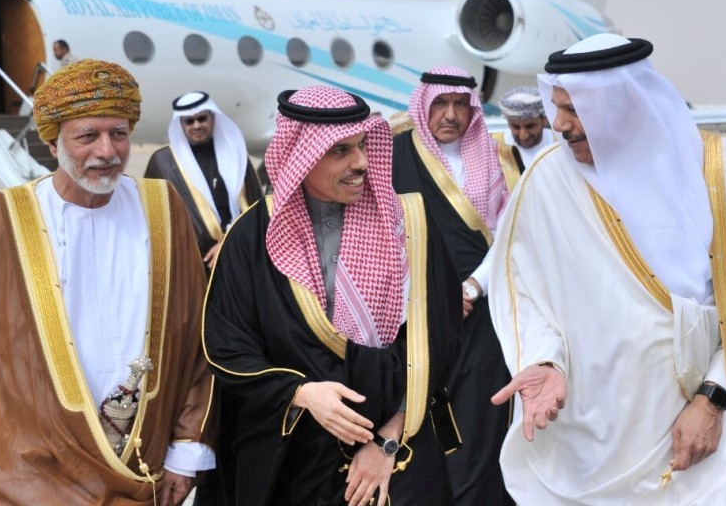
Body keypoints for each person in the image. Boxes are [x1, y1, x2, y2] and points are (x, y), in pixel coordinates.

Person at [488, 34, 726, 504]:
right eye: (557, 106)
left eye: (575, 108)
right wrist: (542, 359)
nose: (560, 125)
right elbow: (520, 288)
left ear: (623, 101)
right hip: (586, 434)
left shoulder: (721, 170)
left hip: (701, 421)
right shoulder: (546, 178)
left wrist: (714, 398)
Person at [0, 59, 216, 505]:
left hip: (139, 466)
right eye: (88, 136)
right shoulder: (7, 218)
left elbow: (195, 338)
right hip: (25, 476)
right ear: (52, 143)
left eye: (119, 133)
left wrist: (186, 452)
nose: (107, 151)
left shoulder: (163, 208)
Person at [203, 86, 462, 506]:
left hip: (395, 458)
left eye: (362, 146)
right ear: (300, 157)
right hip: (293, 459)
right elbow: (226, 347)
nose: (361, 163)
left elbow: (438, 339)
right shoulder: (250, 236)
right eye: (340, 151)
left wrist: (388, 441)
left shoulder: (408, 224)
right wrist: (300, 394)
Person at [392, 67, 514, 505]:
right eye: (440, 104)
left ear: (473, 109)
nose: (450, 115)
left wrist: (472, 289)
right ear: (424, 106)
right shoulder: (394, 154)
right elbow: (379, 236)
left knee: (478, 426)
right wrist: (429, 298)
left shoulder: (497, 158)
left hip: (480, 316)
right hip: (412, 317)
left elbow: (510, 237)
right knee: (412, 421)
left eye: (460, 105)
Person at [144, 91, 263, 270]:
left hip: (241, 255)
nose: (197, 125)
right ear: (181, 124)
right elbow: (153, 219)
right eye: (189, 121)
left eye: (202, 119)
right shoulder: (163, 163)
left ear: (212, 118)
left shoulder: (235, 155)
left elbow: (256, 209)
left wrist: (228, 244)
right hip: (191, 265)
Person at [493, 85, 555, 183]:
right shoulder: (495, 147)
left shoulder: (559, 143)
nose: (523, 135)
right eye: (516, 127)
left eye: (530, 126)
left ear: (544, 120)